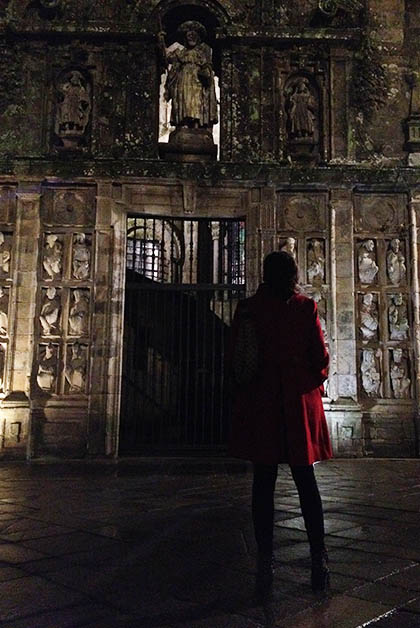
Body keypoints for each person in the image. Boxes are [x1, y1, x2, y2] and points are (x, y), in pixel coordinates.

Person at [227, 251, 331, 599]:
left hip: (262, 405)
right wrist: (305, 379)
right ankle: (319, 557)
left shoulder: (247, 309)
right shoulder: (305, 308)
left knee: (263, 484)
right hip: (297, 405)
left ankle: (265, 559)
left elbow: (236, 357)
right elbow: (321, 359)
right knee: (306, 482)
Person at [158, 21, 218, 130]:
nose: (191, 38)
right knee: (184, 101)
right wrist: (161, 42)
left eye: (194, 36)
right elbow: (166, 59)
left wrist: (205, 71)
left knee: (197, 102)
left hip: (197, 80)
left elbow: (207, 66)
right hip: (183, 80)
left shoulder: (203, 51)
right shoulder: (180, 52)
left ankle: (197, 124)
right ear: (185, 39)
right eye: (189, 36)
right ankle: (183, 123)